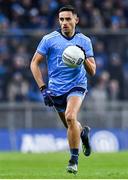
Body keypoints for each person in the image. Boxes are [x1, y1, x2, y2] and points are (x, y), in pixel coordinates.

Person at [30, 5, 96, 174]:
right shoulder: (49, 39)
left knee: (70, 116)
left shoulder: (84, 41)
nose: (64, 22)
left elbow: (93, 71)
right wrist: (43, 88)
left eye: (68, 19)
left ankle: (73, 161)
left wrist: (83, 58)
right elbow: (34, 63)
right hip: (56, 89)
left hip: (77, 85)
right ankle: (83, 134)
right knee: (70, 124)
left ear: (76, 20)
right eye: (61, 19)